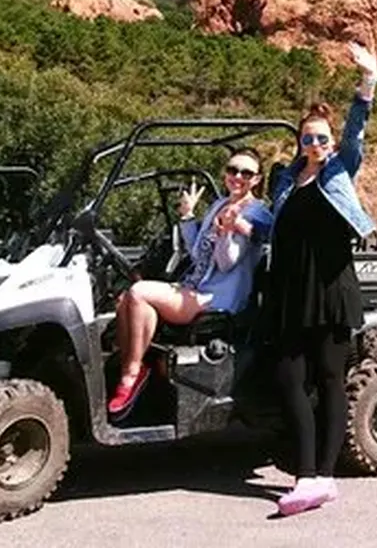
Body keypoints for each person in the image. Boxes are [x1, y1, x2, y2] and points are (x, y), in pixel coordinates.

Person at [267, 41, 377, 517]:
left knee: (332, 380)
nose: (315, 144)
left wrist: (367, 82)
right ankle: (308, 473)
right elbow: (268, 225)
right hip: (291, 292)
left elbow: (356, 134)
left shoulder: (339, 171)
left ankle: (320, 477)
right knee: (289, 379)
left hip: (331, 288)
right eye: (308, 138)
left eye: (321, 138)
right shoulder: (285, 181)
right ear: (299, 141)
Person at [108, 147, 273, 420]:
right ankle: (136, 368)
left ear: (256, 179)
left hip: (217, 297)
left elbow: (227, 263)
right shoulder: (219, 205)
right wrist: (187, 216)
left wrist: (227, 232)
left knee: (139, 292)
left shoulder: (256, 213)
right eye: (232, 170)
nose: (237, 177)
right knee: (127, 298)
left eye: (246, 173)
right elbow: (197, 253)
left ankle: (131, 374)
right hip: (194, 285)